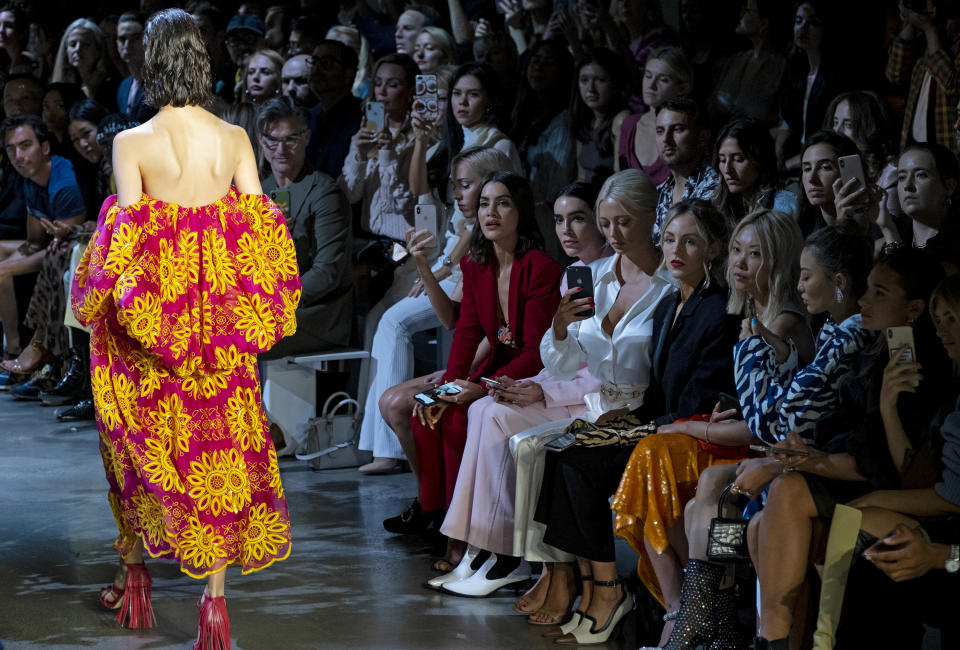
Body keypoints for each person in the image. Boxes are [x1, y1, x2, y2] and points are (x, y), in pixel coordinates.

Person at [70, 9, 297, 647]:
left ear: (150, 62)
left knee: (135, 442)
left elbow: (130, 244)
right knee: (218, 454)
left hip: (153, 332)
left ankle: (134, 572)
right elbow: (260, 230)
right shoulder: (233, 138)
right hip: (218, 329)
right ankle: (214, 606)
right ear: (202, 60)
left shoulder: (130, 142)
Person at [745, 249, 953, 649]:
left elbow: (898, 471)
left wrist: (821, 460)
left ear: (913, 309)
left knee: (785, 492)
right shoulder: (882, 351)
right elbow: (854, 438)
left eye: (879, 293)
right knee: (762, 518)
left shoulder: (920, 369)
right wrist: (810, 454)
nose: (863, 301)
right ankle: (779, 641)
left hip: (892, 495)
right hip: (865, 481)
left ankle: (774, 641)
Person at [433, 182, 610, 600]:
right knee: (481, 410)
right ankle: (477, 550)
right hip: (559, 385)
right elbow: (557, 353)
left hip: (594, 401)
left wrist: (537, 390)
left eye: (579, 218)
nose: (567, 230)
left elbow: (596, 366)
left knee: (491, 412)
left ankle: (504, 556)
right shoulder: (573, 274)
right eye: (561, 220)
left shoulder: (557, 271)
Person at [530, 166, 678, 645]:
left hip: (645, 409)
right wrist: (557, 325)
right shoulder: (593, 277)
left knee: (575, 462)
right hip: (599, 406)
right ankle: (594, 586)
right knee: (554, 458)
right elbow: (567, 361)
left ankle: (608, 590)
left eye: (624, 223)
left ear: (651, 219)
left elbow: (668, 368)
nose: (613, 234)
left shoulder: (670, 284)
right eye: (607, 223)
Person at [409, 171, 562, 572]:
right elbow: (466, 333)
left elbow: (536, 353)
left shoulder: (541, 268)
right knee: (428, 413)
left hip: (531, 376)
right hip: (494, 369)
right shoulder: (475, 265)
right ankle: (446, 527)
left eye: (503, 203)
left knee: (459, 421)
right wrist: (444, 388)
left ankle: (466, 540)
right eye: (483, 204)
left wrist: (478, 388)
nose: (490, 212)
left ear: (521, 211)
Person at [604, 198, 740, 646]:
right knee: (596, 449)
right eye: (668, 240)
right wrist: (627, 422)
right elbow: (660, 396)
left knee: (648, 456)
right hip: (672, 431)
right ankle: (679, 610)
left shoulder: (720, 309)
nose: (676, 250)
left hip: (713, 438)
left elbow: (701, 400)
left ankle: (681, 612)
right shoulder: (667, 306)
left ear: (713, 250)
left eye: (690, 241)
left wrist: (647, 428)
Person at [257, 97, 353, 358]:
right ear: (261, 141)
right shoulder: (258, 191)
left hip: (316, 315)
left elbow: (326, 273)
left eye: (291, 139)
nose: (281, 149)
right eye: (272, 140)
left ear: (307, 138)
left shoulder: (325, 193)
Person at [0, 115, 85, 373]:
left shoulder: (64, 184)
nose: (17, 155)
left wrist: (6, 268)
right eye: (11, 149)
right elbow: (35, 240)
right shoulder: (30, 178)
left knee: (4, 270)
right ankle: (12, 347)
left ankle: (31, 348)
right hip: (50, 246)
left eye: (25, 145)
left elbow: (63, 249)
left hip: (76, 248)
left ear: (45, 148)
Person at [775, 1, 850, 172]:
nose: (803, 28)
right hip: (795, 156)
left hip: (824, 162)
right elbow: (788, 122)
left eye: (813, 22)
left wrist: (786, 166)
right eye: (798, 21)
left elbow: (833, 136)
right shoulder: (796, 72)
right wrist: (778, 150)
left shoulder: (837, 77)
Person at [886, 1, 960, 153]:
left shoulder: (948, 44)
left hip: (947, 149)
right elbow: (894, 75)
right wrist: (910, 22)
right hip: (914, 145)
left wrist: (929, 28)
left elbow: (953, 87)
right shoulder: (924, 43)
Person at [617, 45, 693, 186]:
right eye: (647, 76)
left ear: (682, 88)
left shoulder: (689, 130)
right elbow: (618, 185)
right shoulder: (629, 125)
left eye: (663, 79)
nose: (651, 85)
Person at [709, 0, 786, 130]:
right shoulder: (735, 60)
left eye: (747, 10)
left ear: (763, 23)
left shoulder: (781, 66)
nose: (741, 13)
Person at [654, 96, 720, 244]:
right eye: (660, 131)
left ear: (703, 137)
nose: (666, 139)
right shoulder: (660, 191)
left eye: (677, 129)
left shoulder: (715, 187)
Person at [890, 142, 960, 272]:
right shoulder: (900, 236)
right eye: (902, 177)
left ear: (949, 186)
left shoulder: (955, 245)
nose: (907, 186)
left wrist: (888, 230)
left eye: (921, 175)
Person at [713, 118, 797, 223]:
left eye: (738, 159)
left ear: (760, 160)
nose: (727, 169)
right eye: (722, 160)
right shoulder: (718, 205)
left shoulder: (784, 207)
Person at [304, 39, 362, 180]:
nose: (317, 69)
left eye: (326, 63)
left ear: (348, 74)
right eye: (314, 61)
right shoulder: (306, 117)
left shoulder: (362, 119)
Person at [571, 48, 628, 187]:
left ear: (615, 83)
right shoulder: (585, 121)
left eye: (600, 80)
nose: (590, 88)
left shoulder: (621, 120)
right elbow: (581, 178)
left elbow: (619, 182)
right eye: (584, 80)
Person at [794, 130, 860, 237]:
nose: (811, 178)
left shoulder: (873, 222)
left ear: (848, 171)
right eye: (807, 168)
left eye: (825, 167)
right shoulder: (801, 228)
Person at [50, 18, 119, 110]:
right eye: (73, 44)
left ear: (98, 49)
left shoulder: (110, 87)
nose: (77, 49)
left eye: (86, 44)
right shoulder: (65, 84)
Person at [115, 12, 156, 124]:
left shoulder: (161, 82)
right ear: (117, 43)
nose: (127, 45)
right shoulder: (123, 86)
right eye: (123, 39)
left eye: (136, 38)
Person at [224, 13, 266, 100]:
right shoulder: (223, 81)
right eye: (235, 41)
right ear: (227, 45)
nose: (242, 46)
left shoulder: (274, 78)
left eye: (249, 39)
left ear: (264, 41)